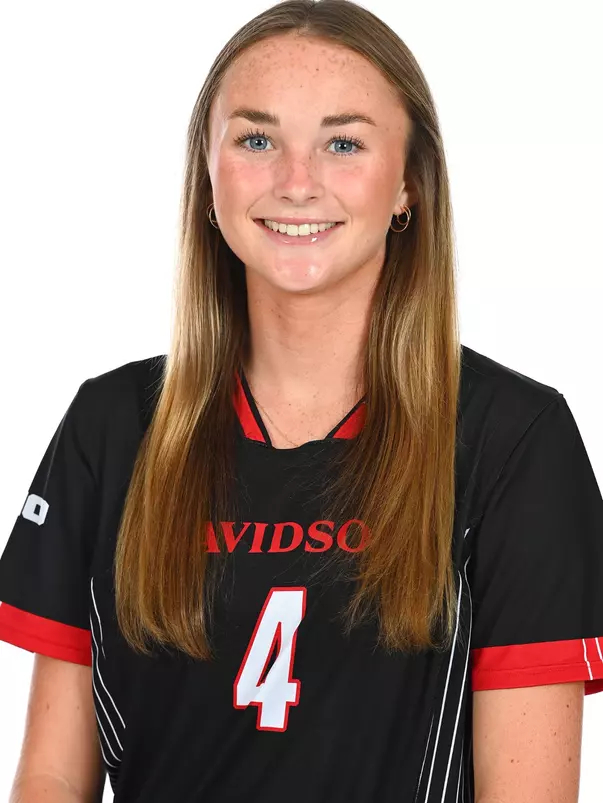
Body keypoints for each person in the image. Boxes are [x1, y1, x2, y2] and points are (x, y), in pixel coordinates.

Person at [1, 1, 602, 801]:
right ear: (208, 180)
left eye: (342, 143)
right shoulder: (111, 427)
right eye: (256, 139)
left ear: (408, 187)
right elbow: (49, 775)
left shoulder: (514, 439)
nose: (295, 182)